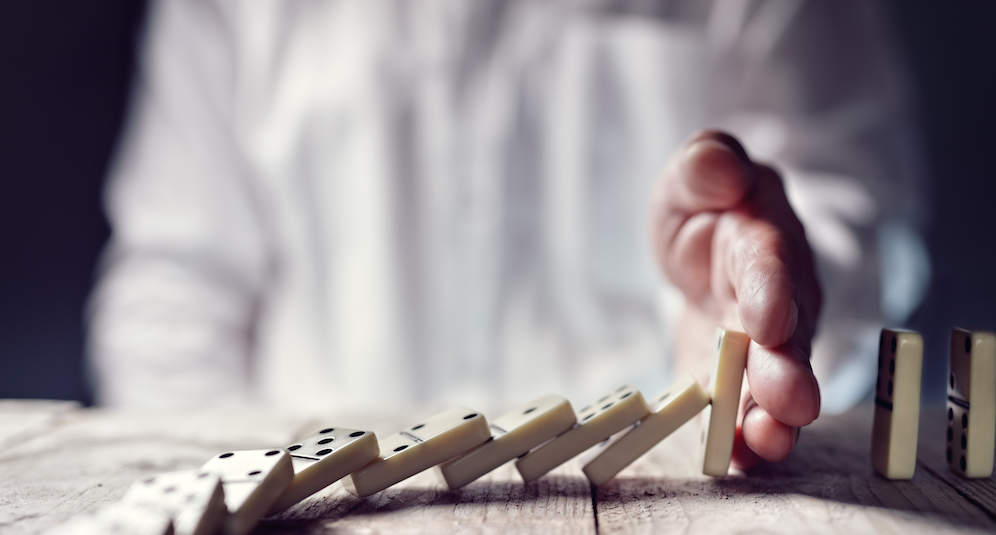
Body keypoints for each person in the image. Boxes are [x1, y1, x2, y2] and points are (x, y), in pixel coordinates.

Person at [88, 0, 927, 469]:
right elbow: (174, 291)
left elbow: (858, 215)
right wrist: (238, 506)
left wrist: (779, 307)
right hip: (304, 530)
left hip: (662, 529)